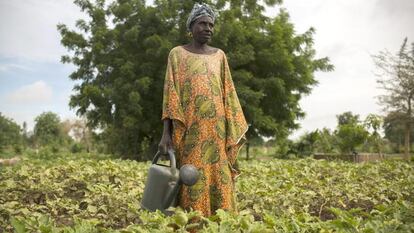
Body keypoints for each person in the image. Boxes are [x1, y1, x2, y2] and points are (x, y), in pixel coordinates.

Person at [158, 3, 248, 217]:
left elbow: (228, 93)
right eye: (202, 24)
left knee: (220, 179)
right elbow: (171, 94)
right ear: (191, 27)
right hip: (189, 133)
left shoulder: (220, 56)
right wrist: (166, 133)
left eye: (211, 25)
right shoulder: (177, 54)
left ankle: (221, 226)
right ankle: (193, 226)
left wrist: (231, 129)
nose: (208, 28)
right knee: (191, 180)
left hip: (218, 133)